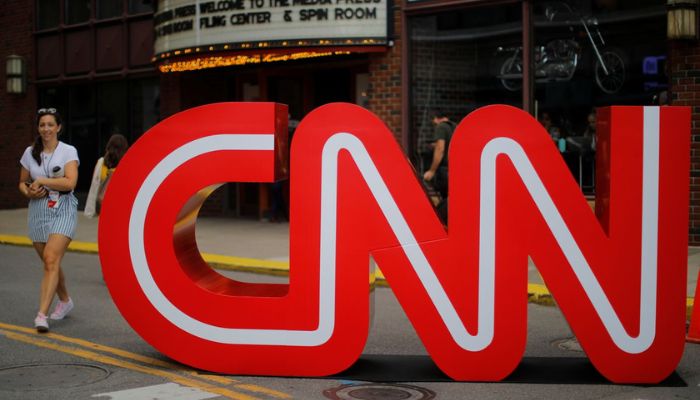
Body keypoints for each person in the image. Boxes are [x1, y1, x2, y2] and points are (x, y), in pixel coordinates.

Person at [18, 108, 79, 333]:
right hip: (38, 210)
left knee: (51, 258)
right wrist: (28, 193)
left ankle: (42, 314)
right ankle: (64, 300)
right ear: (38, 128)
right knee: (49, 262)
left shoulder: (68, 151)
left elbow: (70, 182)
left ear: (58, 127)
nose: (46, 129)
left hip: (63, 208)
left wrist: (43, 180)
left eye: (50, 125)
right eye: (42, 125)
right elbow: (22, 183)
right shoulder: (29, 152)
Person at [423, 110, 456, 222]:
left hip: (445, 170)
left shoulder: (441, 127)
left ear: (436, 118)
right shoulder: (454, 126)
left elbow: (440, 148)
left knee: (445, 202)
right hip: (455, 169)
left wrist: (432, 170)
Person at [84, 133, 128, 217]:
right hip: (119, 206)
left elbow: (94, 184)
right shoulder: (125, 165)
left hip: (103, 204)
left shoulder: (101, 162)